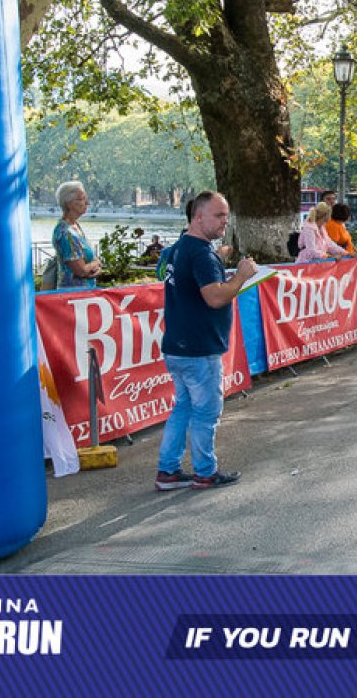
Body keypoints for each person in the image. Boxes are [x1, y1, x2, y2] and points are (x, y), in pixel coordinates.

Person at [154, 191, 256, 491]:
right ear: (198, 217)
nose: (225, 221)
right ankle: (205, 472)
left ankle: (168, 471)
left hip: (178, 345)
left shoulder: (181, 247)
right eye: (219, 215)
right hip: (199, 348)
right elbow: (214, 297)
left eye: (226, 214)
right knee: (206, 412)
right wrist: (241, 276)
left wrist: (218, 262)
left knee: (184, 408)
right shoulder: (200, 253)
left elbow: (190, 282)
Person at [53, 181, 101, 289]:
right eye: (81, 199)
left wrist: (96, 265)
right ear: (69, 204)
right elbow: (82, 271)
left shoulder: (75, 227)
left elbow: (92, 262)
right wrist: (96, 263)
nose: (87, 203)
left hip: (86, 293)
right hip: (72, 294)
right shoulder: (65, 232)